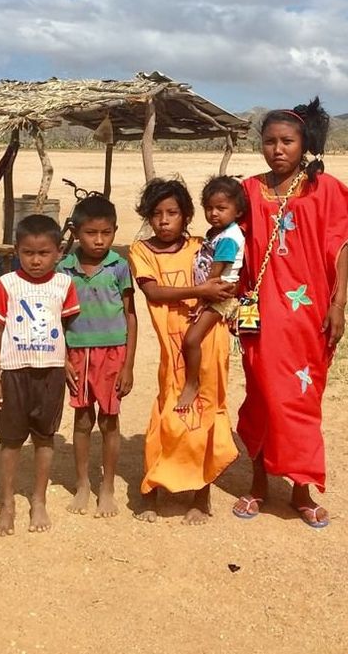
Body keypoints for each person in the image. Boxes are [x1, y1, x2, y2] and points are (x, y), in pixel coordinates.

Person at [232, 98, 348, 529]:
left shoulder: (327, 191)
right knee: (263, 399)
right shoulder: (248, 191)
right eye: (269, 142)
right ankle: (258, 485)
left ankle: (301, 490)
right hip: (261, 317)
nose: (277, 149)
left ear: (305, 143)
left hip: (308, 318)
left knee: (301, 403)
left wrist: (338, 304)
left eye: (287, 141)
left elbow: (341, 248)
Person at [129, 177, 238, 525]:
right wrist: (200, 288)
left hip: (209, 339)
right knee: (166, 415)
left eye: (172, 213)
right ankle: (153, 489)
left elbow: (227, 276)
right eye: (157, 214)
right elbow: (154, 293)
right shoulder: (141, 251)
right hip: (172, 346)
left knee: (206, 413)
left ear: (187, 216)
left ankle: (200, 494)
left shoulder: (200, 245)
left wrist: (215, 291)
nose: (164, 221)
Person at [0, 213, 80, 536]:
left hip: (50, 373)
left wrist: (64, 359)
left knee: (44, 437)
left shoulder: (64, 285)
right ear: (16, 251)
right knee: (10, 441)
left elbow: (64, 327)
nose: (36, 261)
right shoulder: (6, 284)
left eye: (44, 253)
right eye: (28, 253)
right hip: (14, 372)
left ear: (59, 252)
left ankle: (38, 500)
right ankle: (7, 504)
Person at [56, 195, 138, 519]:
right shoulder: (64, 269)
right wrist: (62, 359)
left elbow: (131, 316)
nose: (99, 240)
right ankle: (82, 484)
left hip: (113, 352)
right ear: (76, 232)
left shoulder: (118, 267)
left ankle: (107, 487)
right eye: (91, 233)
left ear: (115, 231)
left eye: (106, 232)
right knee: (82, 419)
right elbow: (57, 319)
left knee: (109, 420)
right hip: (77, 352)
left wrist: (128, 365)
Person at [174, 176, 246, 413]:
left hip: (219, 296)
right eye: (209, 208)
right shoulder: (217, 231)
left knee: (192, 339)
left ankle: (192, 383)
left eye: (221, 208)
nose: (214, 213)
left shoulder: (228, 238)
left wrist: (201, 301)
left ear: (237, 211)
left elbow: (215, 275)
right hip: (213, 293)